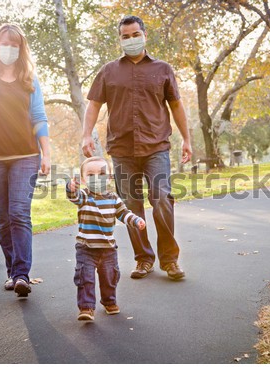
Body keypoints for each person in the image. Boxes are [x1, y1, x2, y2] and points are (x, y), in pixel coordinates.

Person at [82, 15, 192, 281]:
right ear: (119, 39)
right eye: (125, 36)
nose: (130, 40)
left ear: (144, 35)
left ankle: (170, 260)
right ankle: (143, 259)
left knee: (162, 199)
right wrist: (86, 134)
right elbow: (94, 104)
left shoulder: (163, 69)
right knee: (131, 205)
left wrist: (187, 139)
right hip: (121, 149)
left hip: (156, 146)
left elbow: (176, 105)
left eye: (134, 34)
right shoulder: (109, 71)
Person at [0, 23, 51, 298]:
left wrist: (46, 153)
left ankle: (21, 274)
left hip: (26, 156)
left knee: (18, 213)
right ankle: (12, 272)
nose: (10, 49)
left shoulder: (29, 80)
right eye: (5, 44)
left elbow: (39, 117)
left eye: (15, 45)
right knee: (2, 218)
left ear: (21, 49)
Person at [66, 156, 145, 321]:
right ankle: (86, 307)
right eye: (90, 175)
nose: (96, 178)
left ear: (109, 177)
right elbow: (74, 196)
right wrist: (71, 188)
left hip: (108, 248)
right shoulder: (84, 196)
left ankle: (109, 302)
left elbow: (124, 213)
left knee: (110, 277)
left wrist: (136, 220)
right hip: (86, 247)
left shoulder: (113, 198)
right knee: (85, 278)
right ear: (83, 179)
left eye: (101, 173)